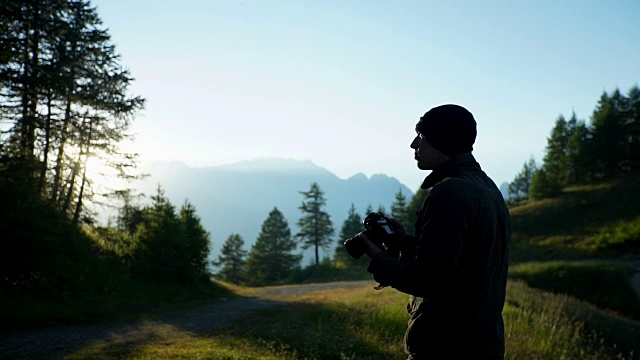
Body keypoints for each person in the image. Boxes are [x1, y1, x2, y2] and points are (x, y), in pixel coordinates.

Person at [359, 104, 510, 359]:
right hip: (482, 344)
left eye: (421, 136)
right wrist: (404, 242)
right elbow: (464, 261)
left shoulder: (448, 192)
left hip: (445, 346)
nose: (413, 145)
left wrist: (379, 259)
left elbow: (429, 280)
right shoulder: (487, 188)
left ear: (441, 139)